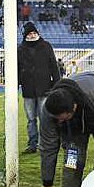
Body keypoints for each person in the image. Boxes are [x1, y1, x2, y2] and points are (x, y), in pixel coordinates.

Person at [17, 21, 61, 153]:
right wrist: (16, 83)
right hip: (28, 89)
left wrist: (57, 83)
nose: (32, 35)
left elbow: (54, 65)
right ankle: (32, 144)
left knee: (44, 118)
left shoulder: (46, 46)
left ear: (37, 33)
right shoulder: (20, 49)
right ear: (25, 35)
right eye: (29, 33)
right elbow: (18, 69)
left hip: (45, 88)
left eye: (34, 33)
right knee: (31, 119)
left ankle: (44, 144)